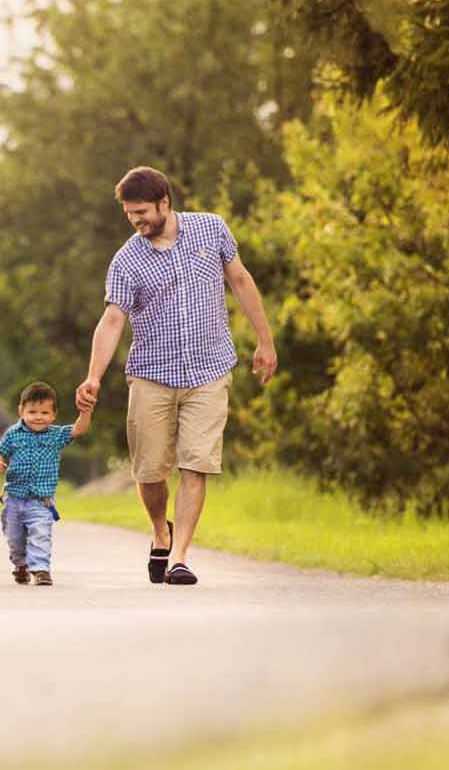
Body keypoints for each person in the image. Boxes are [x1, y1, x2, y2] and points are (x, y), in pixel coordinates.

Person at [76, 166, 277, 586]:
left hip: (209, 369)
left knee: (195, 465)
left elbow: (240, 280)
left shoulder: (211, 230)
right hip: (152, 375)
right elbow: (113, 319)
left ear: (165, 202)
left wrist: (265, 341)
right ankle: (160, 530)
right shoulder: (127, 259)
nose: (136, 220)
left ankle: (180, 557)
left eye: (142, 211)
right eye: (130, 214)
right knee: (149, 472)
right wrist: (93, 376)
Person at [0, 382, 92, 586]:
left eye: (45, 412)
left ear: (53, 415)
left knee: (40, 533)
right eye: (33, 411)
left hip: (41, 500)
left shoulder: (55, 435)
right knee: (14, 538)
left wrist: (86, 412)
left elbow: (78, 430)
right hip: (14, 497)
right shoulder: (13, 433)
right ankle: (21, 565)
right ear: (21, 411)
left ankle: (41, 569)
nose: (39, 417)